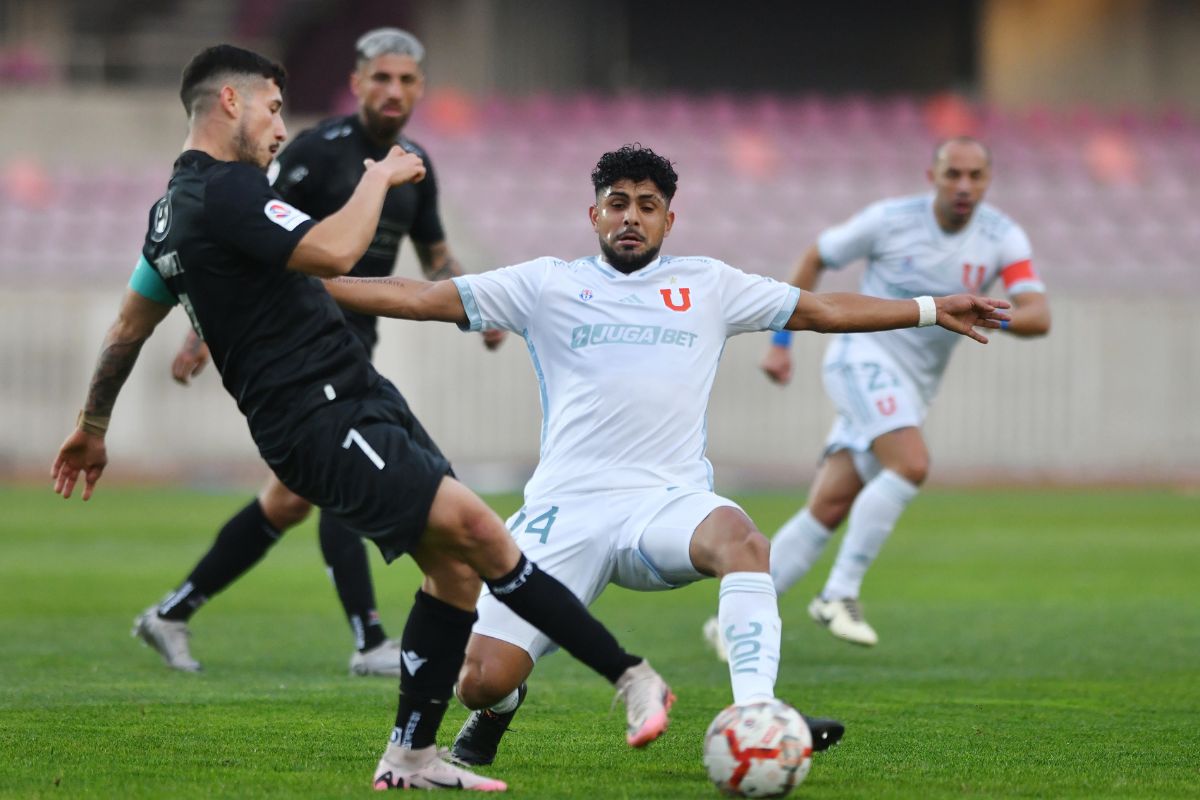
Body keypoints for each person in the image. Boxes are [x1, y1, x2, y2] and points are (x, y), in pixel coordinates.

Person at [51, 45, 673, 792]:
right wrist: (379, 175)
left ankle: (411, 756)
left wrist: (92, 424)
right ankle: (630, 675)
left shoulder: (169, 215)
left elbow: (126, 328)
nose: (281, 127)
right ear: (229, 104)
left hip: (351, 393)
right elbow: (336, 250)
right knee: (480, 533)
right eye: (273, 108)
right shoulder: (228, 191)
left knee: (453, 574)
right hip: (319, 413)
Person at [321, 144, 1011, 767]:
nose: (631, 217)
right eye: (618, 203)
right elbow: (422, 296)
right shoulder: (548, 283)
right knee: (479, 679)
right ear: (593, 213)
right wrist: (302, 289)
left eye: (648, 206)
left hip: (667, 503)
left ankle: (758, 712)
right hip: (565, 513)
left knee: (743, 540)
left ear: (668, 221)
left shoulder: (709, 284)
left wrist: (927, 308)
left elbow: (820, 310)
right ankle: (500, 710)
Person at [145, 27, 504, 678]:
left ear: (420, 89)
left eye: (406, 80)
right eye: (381, 78)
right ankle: (370, 641)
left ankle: (172, 611)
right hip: (299, 347)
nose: (393, 91)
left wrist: (482, 305)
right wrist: (201, 333)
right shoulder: (314, 153)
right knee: (345, 483)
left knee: (291, 500)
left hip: (348, 346)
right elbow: (244, 243)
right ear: (358, 82)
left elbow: (434, 253)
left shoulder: (416, 162)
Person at [743, 137, 1051, 648]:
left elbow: (1038, 315)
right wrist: (781, 343)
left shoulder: (1002, 236)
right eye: (954, 174)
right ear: (932, 176)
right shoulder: (888, 220)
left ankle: (739, 620)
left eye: (975, 176)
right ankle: (837, 594)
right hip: (861, 358)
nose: (964, 186)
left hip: (913, 385)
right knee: (910, 463)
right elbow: (816, 256)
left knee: (831, 503)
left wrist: (995, 315)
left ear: (988, 181)